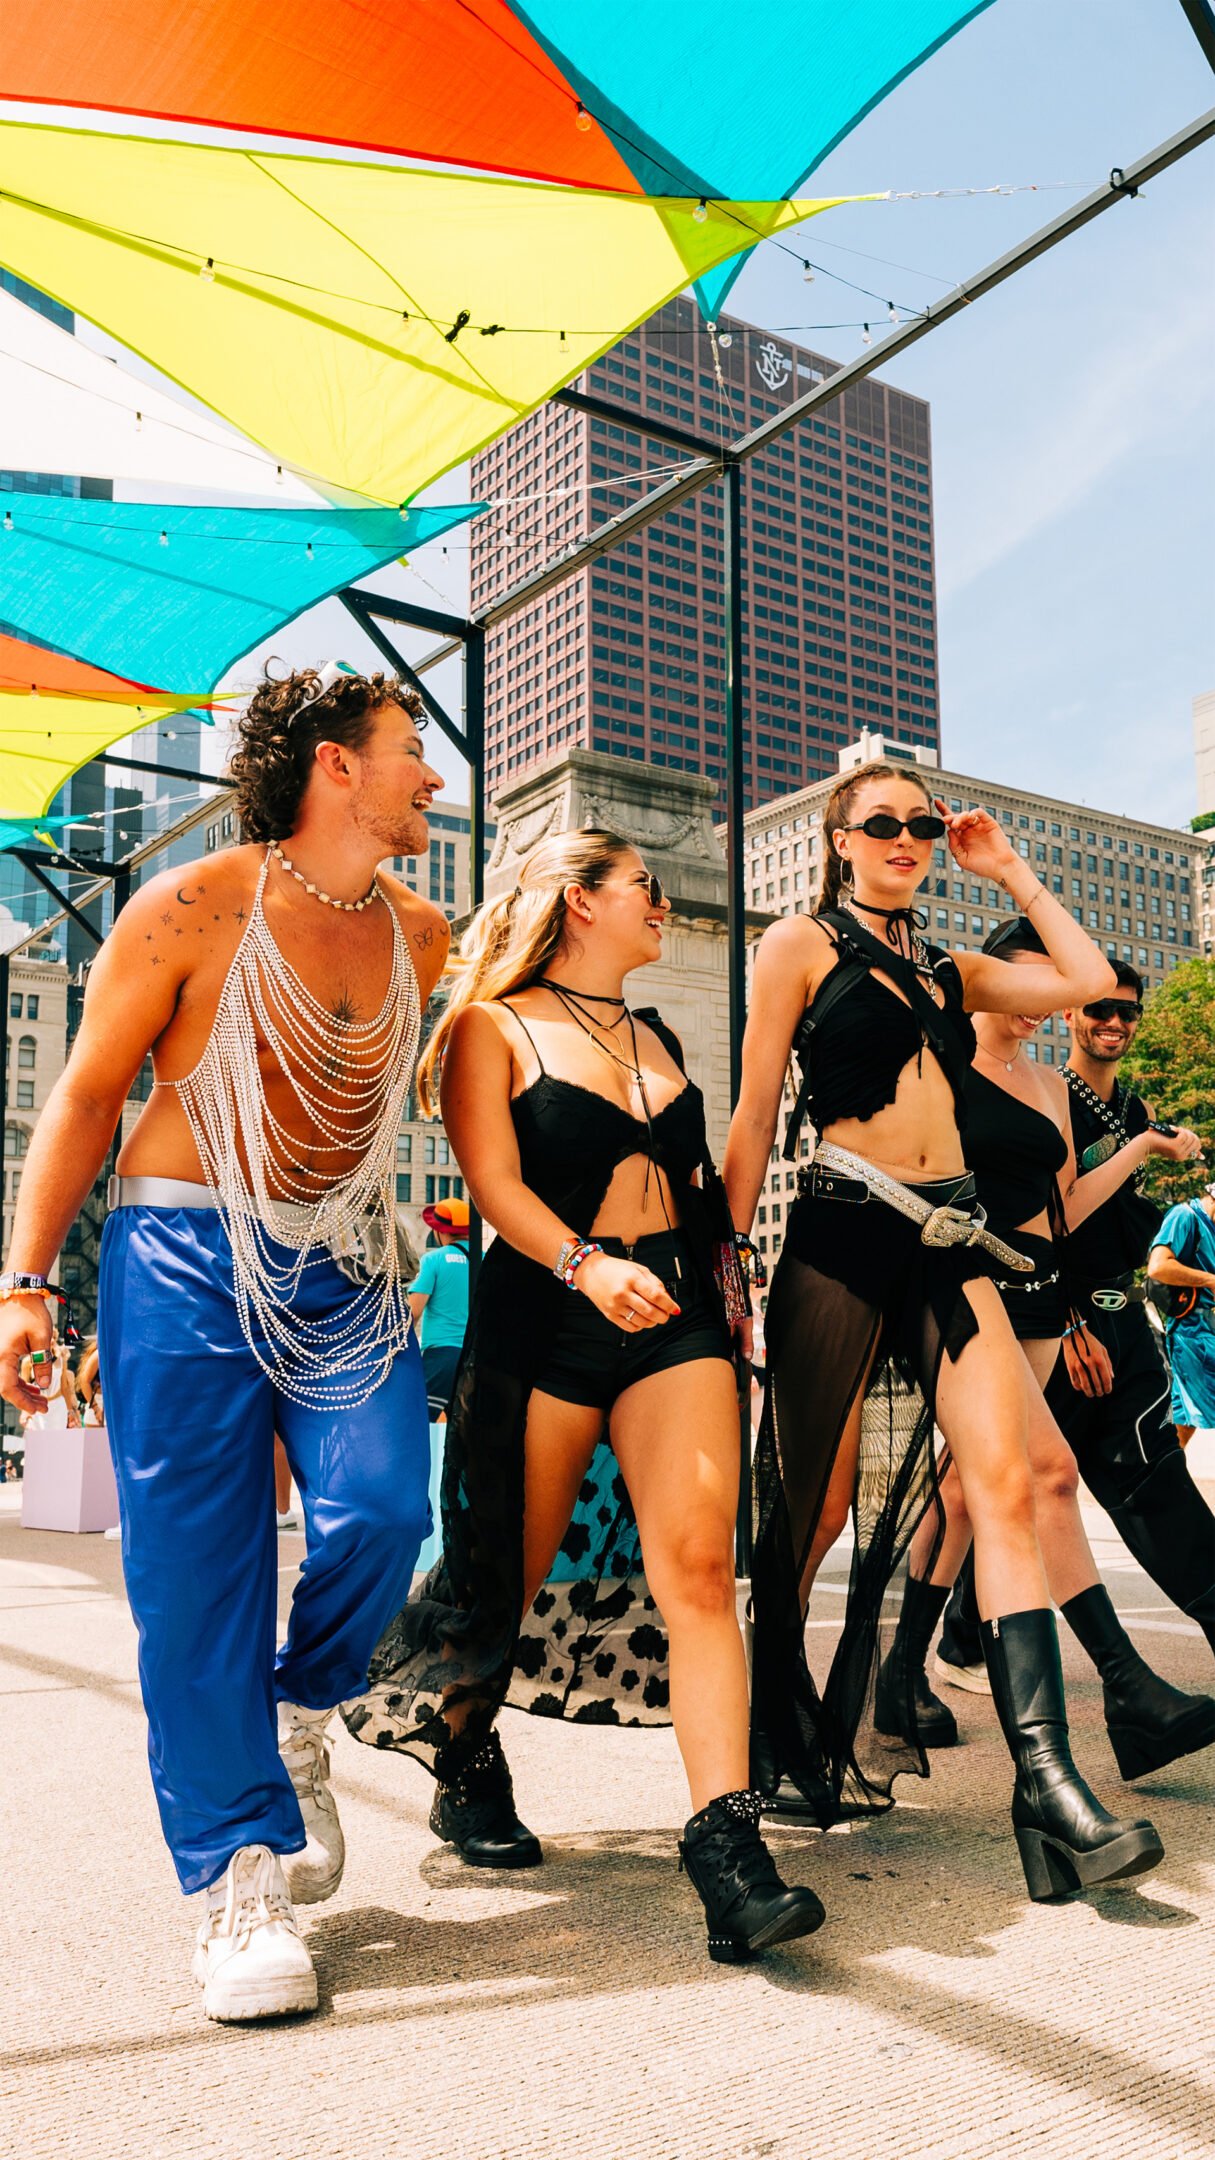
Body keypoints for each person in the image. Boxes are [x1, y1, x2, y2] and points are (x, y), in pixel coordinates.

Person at [0, 661, 448, 2023]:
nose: (431, 774)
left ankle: (302, 1709)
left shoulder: (421, 935)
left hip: (343, 1261)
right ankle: (236, 1877)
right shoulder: (188, 906)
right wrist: (24, 1283)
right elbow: (83, 1100)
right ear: (335, 766)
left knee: (380, 1509)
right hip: (180, 1249)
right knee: (197, 1578)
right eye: (408, 749)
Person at [343, 828, 825, 1965]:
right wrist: (585, 1267)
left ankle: (726, 1848)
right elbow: (495, 1187)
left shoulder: (657, 1032)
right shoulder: (490, 1028)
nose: (665, 904)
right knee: (501, 1575)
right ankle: (464, 1760)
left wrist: (725, 1270)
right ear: (577, 899)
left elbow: (700, 1182)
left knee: (703, 1568)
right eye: (645, 887)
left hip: (678, 1320)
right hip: (549, 1317)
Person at [725, 758, 1165, 1903]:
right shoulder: (799, 947)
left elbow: (1081, 980)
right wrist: (725, 1264)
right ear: (838, 837)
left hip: (950, 1247)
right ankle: (770, 1727)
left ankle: (1049, 1782)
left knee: (1009, 1481)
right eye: (885, 825)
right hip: (839, 1231)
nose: (909, 841)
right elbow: (759, 1102)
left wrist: (1007, 865)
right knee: (813, 1506)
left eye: (922, 826)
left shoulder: (948, 964)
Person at [880, 918, 1214, 1785]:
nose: (1043, 1005)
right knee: (1044, 1476)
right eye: (1030, 986)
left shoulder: (1046, 1084)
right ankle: (1123, 1689)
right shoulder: (943, 1062)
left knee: (967, 1489)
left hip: (1036, 1294)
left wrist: (1139, 1147)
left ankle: (897, 1676)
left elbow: (1065, 1206)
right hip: (965, 1288)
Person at [938, 963, 1215, 1674]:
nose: (1112, 1022)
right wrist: (1065, 1322)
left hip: (1108, 1312)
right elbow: (1043, 1221)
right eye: (1097, 1008)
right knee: (992, 1487)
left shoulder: (1130, 1110)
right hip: (1051, 1317)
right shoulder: (1039, 1093)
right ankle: (943, 1649)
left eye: (1126, 1012)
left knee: (1128, 1472)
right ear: (1066, 1013)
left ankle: (964, 1643)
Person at [1149, 1180, 1215, 1445]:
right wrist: (1211, 1280)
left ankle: (1165, 1478)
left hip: (1207, 1332)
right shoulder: (1185, 1216)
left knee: (1183, 1420)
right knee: (1185, 1419)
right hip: (1188, 1331)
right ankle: (1164, 1477)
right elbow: (1158, 1267)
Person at [408, 1196, 471, 1418]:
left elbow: (413, 1313)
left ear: (439, 1231)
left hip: (440, 1358)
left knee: (425, 1422)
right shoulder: (485, 1259)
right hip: (476, 1357)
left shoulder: (433, 1260)